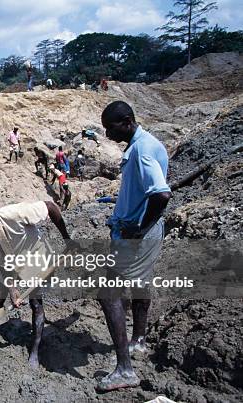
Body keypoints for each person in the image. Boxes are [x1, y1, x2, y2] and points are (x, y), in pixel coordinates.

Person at [96, 101, 171, 392]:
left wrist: (138, 228)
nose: (107, 134)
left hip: (137, 237)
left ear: (126, 121)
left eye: (109, 128)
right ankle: (138, 338)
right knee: (141, 284)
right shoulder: (148, 143)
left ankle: (124, 369)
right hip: (144, 233)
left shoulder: (141, 151)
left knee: (107, 294)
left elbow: (161, 195)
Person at [0, 198, 72, 369]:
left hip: (33, 258)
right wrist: (12, 288)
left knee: (35, 303)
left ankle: (35, 348)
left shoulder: (14, 215)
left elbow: (50, 206)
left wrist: (67, 239)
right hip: (6, 265)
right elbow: (0, 264)